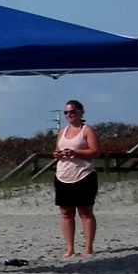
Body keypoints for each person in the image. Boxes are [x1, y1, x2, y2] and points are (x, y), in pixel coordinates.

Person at [53, 99, 101, 258]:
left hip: (83, 175)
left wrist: (76, 153)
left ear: (80, 112)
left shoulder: (87, 130)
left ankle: (88, 247)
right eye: (66, 112)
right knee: (65, 212)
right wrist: (58, 155)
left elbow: (95, 152)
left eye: (72, 112)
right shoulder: (62, 132)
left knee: (85, 212)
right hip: (63, 175)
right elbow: (57, 150)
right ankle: (69, 248)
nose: (68, 115)